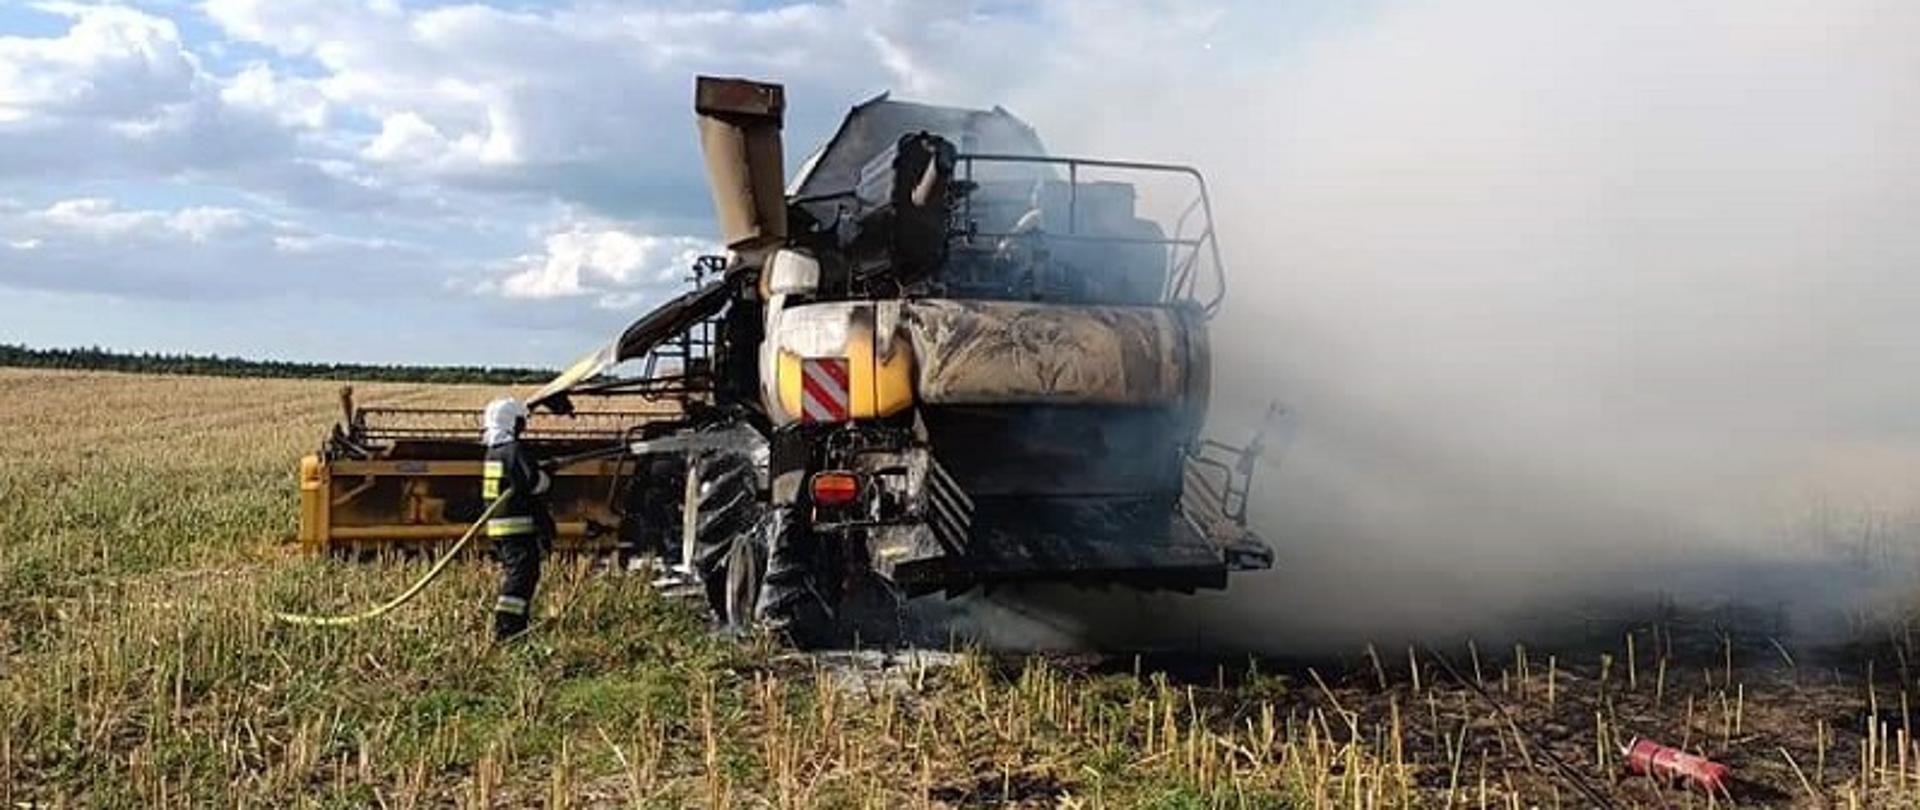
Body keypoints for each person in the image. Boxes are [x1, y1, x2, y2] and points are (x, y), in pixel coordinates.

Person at [480, 397, 554, 641]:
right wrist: (546, 476)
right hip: (516, 526)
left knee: (520, 575)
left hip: (500, 527)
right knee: (522, 576)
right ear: (512, 421)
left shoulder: (494, 451)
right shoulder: (513, 449)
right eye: (521, 421)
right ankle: (507, 627)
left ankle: (514, 624)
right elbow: (533, 484)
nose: (524, 426)